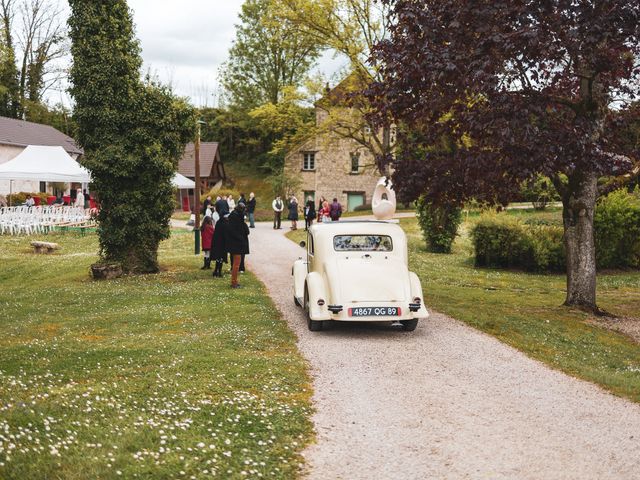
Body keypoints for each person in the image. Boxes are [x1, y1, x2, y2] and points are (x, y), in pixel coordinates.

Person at [224, 204, 250, 288]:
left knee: (236, 264)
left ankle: (234, 281)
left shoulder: (235, 216)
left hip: (236, 243)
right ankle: (234, 282)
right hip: (236, 244)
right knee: (236, 264)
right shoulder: (236, 217)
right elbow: (235, 230)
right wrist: (241, 238)